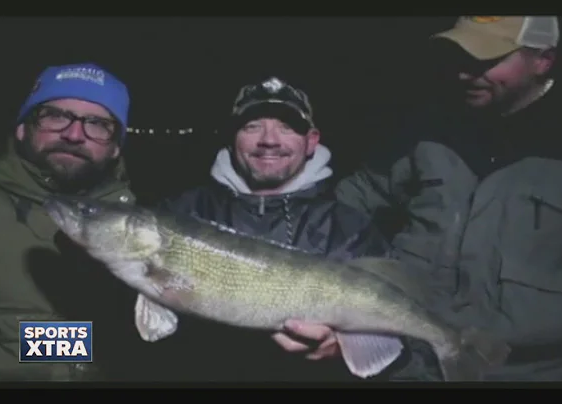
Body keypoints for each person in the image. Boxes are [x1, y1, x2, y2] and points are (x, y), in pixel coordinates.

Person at [332, 16, 562, 381]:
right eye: (460, 58)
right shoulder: (427, 129)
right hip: (412, 360)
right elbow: (346, 207)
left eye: (486, 61)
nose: (465, 74)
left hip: (533, 369)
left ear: (543, 60)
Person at [154, 76, 392, 381]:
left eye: (287, 126)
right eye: (251, 126)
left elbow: (397, 342)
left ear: (311, 141)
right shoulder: (179, 214)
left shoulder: (349, 229)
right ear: (231, 137)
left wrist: (339, 350)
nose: (269, 140)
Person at [0, 63, 145, 381]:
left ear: (116, 146)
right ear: (22, 128)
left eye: (98, 124)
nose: (74, 134)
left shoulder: (150, 229)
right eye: (55, 116)